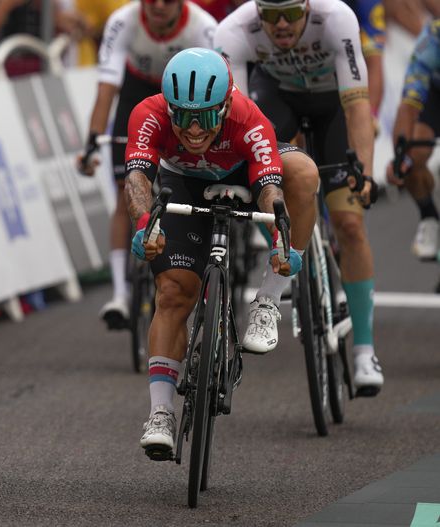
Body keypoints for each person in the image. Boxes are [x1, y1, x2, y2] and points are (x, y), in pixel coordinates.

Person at [125, 48, 319, 457]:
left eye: (207, 117)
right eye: (182, 116)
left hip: (242, 174)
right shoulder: (148, 112)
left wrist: (280, 239)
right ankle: (161, 413)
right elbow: (138, 179)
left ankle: (269, 297)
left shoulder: (248, 118)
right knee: (173, 294)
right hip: (182, 183)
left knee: (303, 172)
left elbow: (269, 190)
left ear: (226, 104)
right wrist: (147, 226)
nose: (194, 130)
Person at [215, 0, 384, 396]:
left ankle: (363, 349)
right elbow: (239, 121)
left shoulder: (336, 17)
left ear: (308, 6)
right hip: (277, 100)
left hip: (333, 107)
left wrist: (366, 173)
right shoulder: (233, 31)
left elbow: (357, 104)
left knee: (349, 224)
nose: (281, 24)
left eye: (291, 13)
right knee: (270, 181)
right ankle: (285, 249)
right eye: (270, 16)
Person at [77, 0, 218, 331]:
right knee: (124, 191)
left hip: (186, 98)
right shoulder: (122, 21)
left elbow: (222, 92)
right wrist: (91, 142)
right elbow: (107, 89)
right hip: (138, 93)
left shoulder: (203, 26)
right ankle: (120, 293)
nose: (157, 6)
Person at [387, 19, 440, 262]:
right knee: (411, 156)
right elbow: (409, 104)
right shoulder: (432, 39)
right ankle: (429, 216)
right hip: (435, 97)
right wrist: (400, 156)